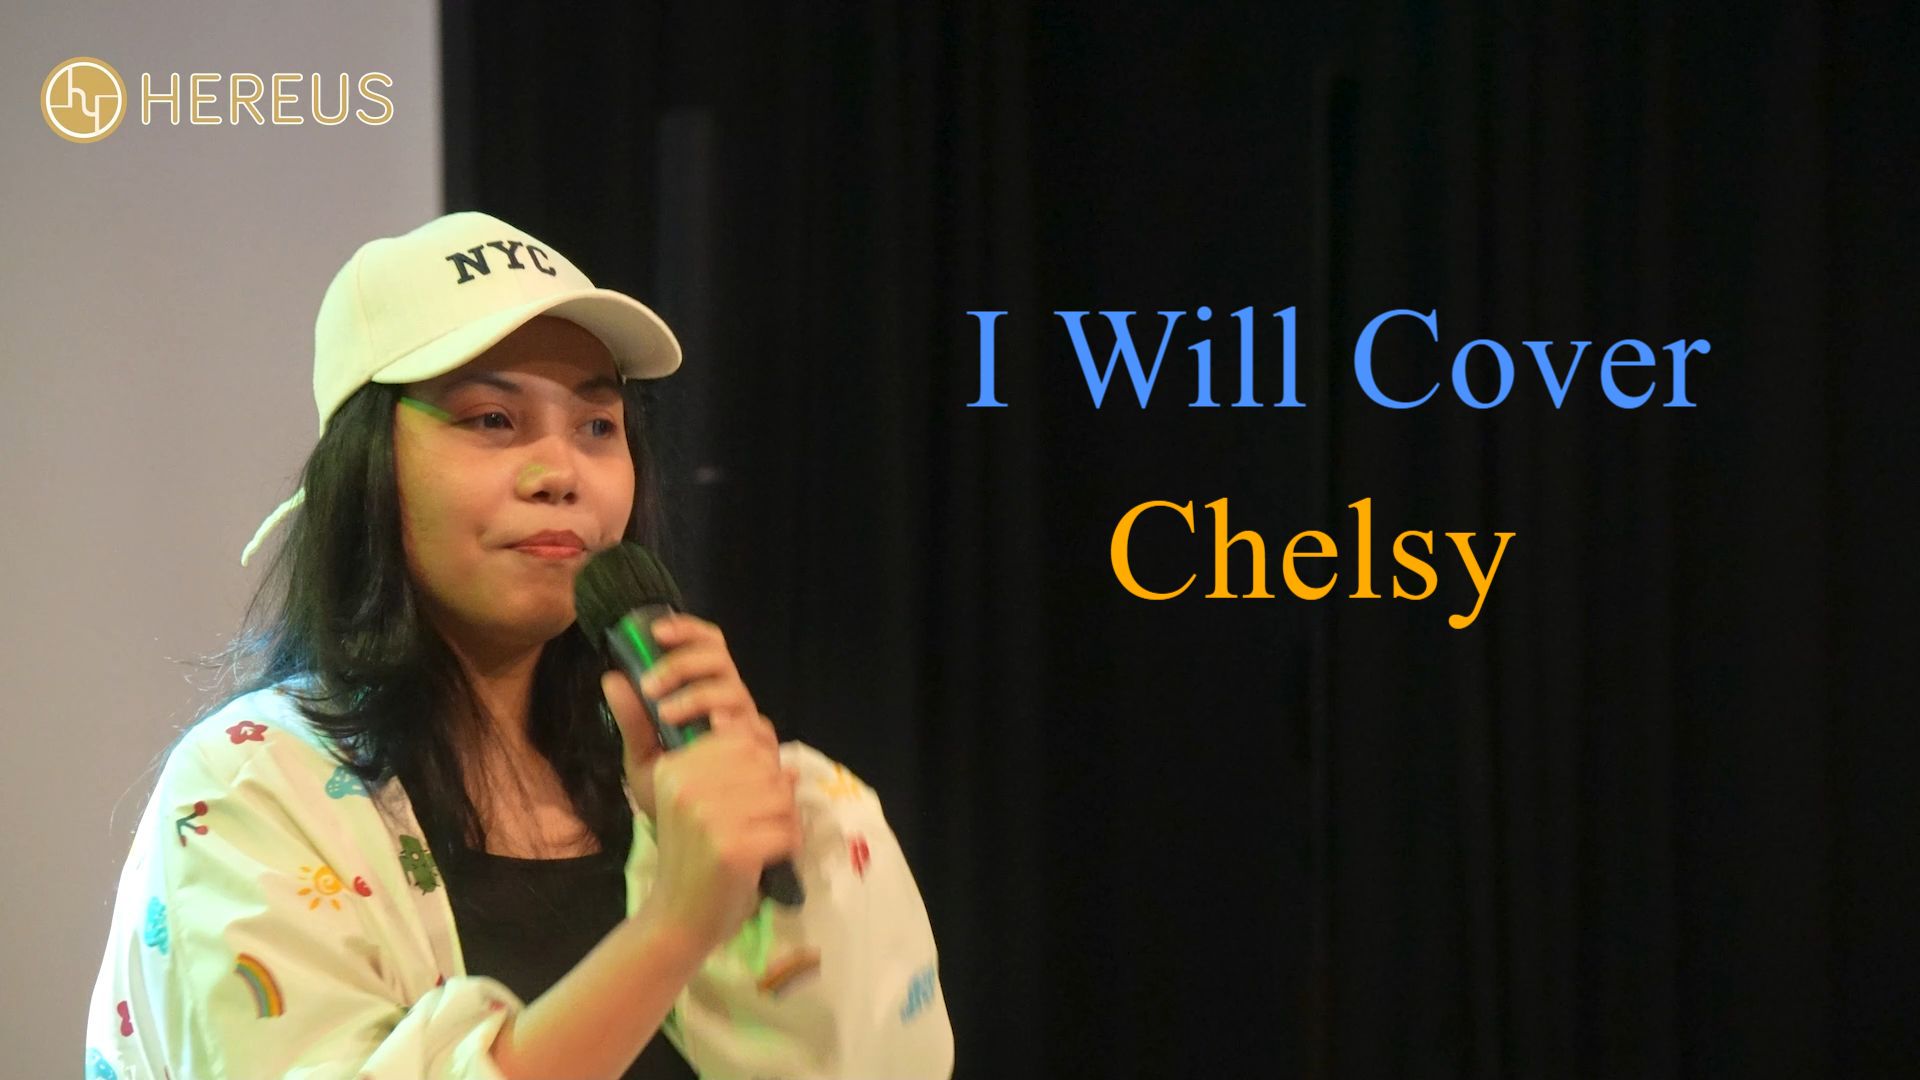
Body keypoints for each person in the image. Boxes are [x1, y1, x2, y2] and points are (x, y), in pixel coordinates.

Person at [84, 211, 953, 1079]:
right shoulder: (251, 793)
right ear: (368, 468)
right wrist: (676, 927)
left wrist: (756, 865)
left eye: (598, 426)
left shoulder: (696, 789)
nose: (561, 473)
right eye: (494, 419)